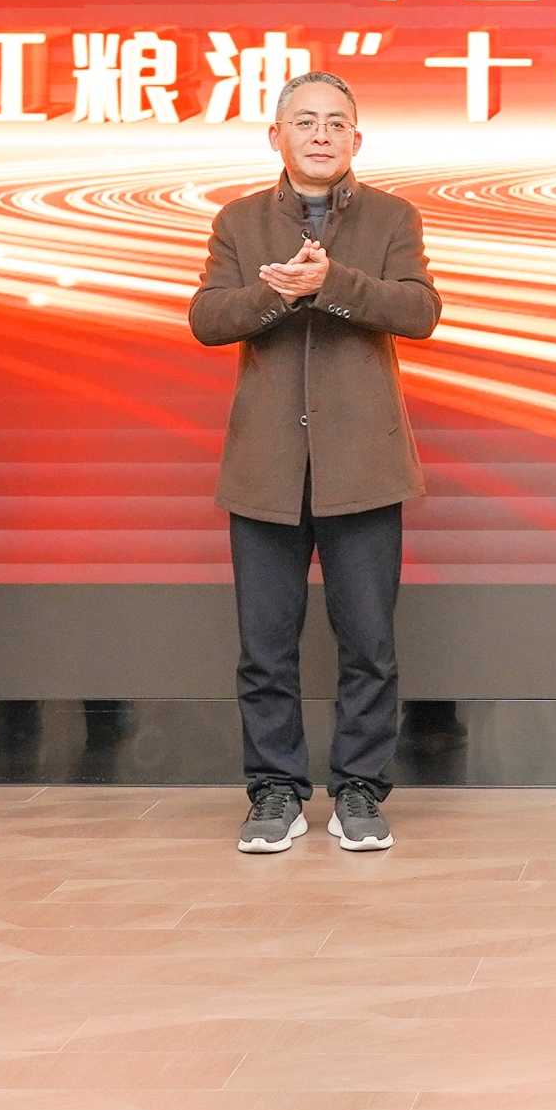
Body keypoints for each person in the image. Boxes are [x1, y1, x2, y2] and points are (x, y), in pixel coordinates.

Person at [190, 72, 443, 855]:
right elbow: (207, 317)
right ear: (277, 136)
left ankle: (361, 789)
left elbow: (420, 310)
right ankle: (275, 791)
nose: (322, 134)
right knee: (265, 646)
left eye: (336, 122)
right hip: (266, 467)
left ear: (356, 139)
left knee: (369, 643)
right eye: (305, 122)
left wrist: (333, 284)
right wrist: (278, 294)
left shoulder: (393, 217)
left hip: (363, 463)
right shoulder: (238, 220)